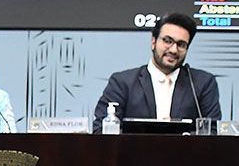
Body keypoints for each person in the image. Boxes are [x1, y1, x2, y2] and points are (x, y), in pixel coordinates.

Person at [93, 13, 221, 133]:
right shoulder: (122, 82)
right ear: (153, 42)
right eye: (168, 41)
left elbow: (212, 131)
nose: (174, 50)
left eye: (181, 44)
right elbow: (101, 130)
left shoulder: (202, 83)